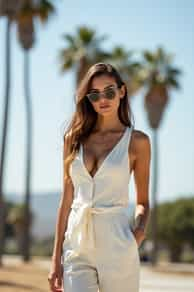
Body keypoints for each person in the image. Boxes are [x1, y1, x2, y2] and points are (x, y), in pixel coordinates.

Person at [48, 62, 151, 292]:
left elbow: (143, 201)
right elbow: (66, 201)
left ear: (122, 92)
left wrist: (139, 233)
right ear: (88, 98)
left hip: (118, 243)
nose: (102, 99)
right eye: (94, 94)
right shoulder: (73, 139)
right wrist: (56, 259)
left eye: (109, 91)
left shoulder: (138, 142)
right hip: (77, 244)